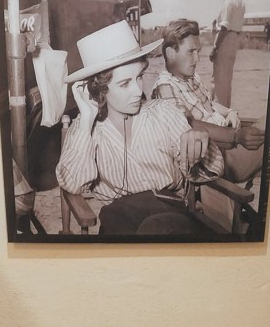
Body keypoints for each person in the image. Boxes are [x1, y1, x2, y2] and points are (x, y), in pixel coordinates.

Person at [56, 21, 224, 236]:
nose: (138, 91)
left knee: (156, 228)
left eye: (139, 77)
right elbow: (72, 184)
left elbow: (215, 168)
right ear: (99, 89)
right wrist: (87, 120)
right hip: (118, 222)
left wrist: (201, 147)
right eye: (125, 84)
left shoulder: (164, 113)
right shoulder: (85, 128)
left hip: (169, 217)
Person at [153, 18, 264, 184]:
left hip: (230, 142)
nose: (197, 59)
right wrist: (236, 136)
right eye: (191, 52)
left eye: (198, 51)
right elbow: (188, 125)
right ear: (170, 53)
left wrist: (230, 111)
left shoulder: (190, 77)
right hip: (219, 160)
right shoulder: (165, 88)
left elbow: (209, 104)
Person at [211, 0, 245, 108]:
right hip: (234, 39)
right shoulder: (240, 1)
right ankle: (225, 108)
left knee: (219, 78)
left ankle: (219, 112)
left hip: (225, 39)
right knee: (227, 77)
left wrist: (215, 47)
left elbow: (224, 27)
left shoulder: (229, 0)